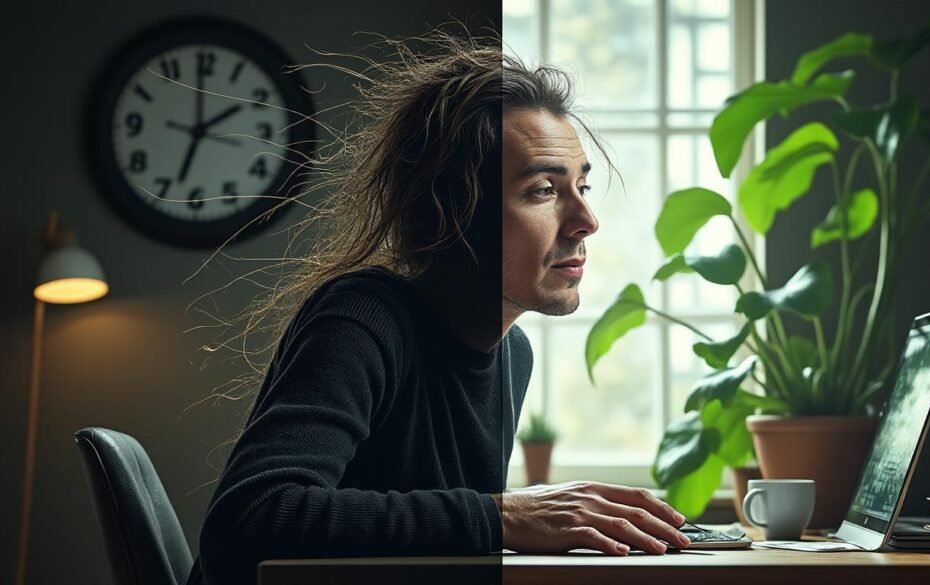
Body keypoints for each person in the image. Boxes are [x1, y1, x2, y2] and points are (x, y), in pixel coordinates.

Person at [186, 31, 689, 585]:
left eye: (583, 186)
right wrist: (503, 513)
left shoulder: (510, 353)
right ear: (455, 210)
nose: (585, 220)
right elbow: (247, 522)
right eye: (544, 190)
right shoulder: (363, 319)